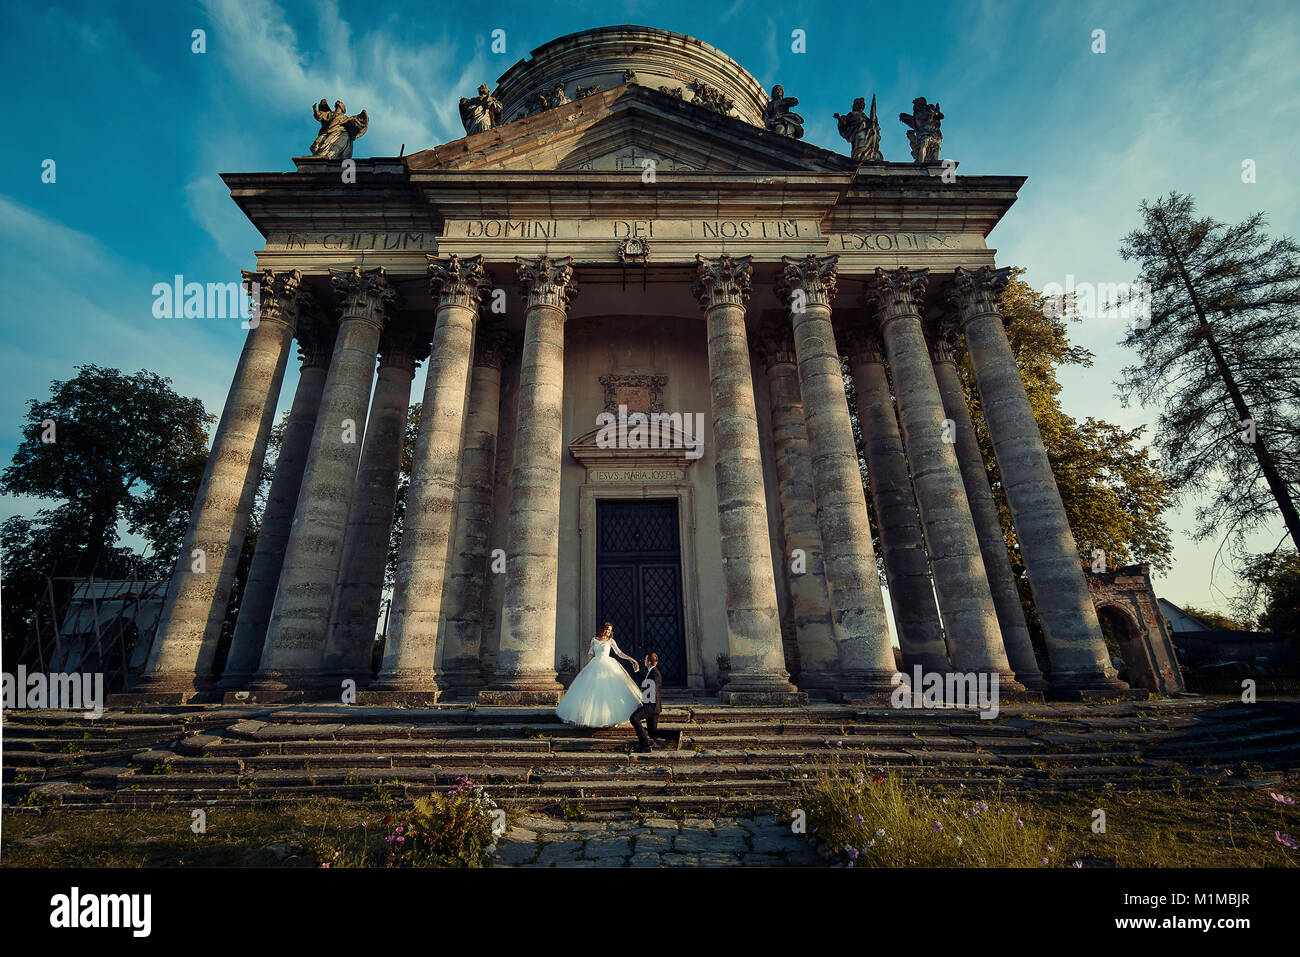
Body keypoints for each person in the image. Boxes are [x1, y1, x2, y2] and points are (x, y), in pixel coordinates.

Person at [555, 622, 642, 728]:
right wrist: (587, 667)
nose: (609, 632)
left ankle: (611, 718)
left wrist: (630, 659)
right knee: (591, 691)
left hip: (608, 665)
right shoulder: (594, 640)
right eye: (608, 629)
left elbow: (619, 653)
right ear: (603, 629)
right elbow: (590, 654)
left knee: (609, 690)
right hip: (595, 665)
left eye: (610, 630)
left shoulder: (611, 641)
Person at [628, 652, 664, 753]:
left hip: (651, 706)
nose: (644, 661)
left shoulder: (655, 674)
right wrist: (637, 671)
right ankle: (675, 735)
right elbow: (646, 683)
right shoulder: (651, 672)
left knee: (634, 718)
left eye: (645, 659)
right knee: (653, 733)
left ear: (648, 662)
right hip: (652, 706)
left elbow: (652, 692)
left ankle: (645, 745)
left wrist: (643, 704)